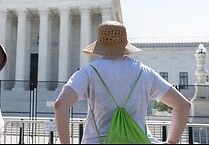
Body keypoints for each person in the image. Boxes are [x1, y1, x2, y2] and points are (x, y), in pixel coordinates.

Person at [54, 21, 191, 144]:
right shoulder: (145, 72)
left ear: (99, 45)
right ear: (125, 44)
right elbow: (183, 105)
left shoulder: (88, 72)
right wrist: (171, 141)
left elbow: (60, 104)